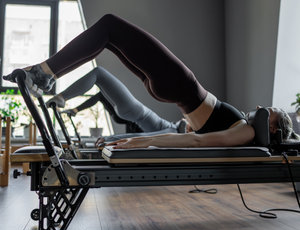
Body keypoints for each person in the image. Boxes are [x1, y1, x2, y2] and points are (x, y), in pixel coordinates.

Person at [3, 13, 297, 149]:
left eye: (267, 112)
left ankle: (42, 75)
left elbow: (195, 141)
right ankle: (44, 75)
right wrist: (135, 140)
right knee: (109, 37)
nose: (260, 107)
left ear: (273, 128)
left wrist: (142, 143)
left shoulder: (245, 133)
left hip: (181, 85)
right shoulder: (244, 127)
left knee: (109, 26)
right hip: (173, 91)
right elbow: (190, 135)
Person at [47, 66, 186, 133]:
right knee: (101, 87)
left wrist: (111, 140)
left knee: (99, 73)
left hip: (135, 111)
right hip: (131, 113)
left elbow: (144, 138)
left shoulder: (172, 132)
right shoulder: (173, 127)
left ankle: (62, 97)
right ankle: (63, 99)